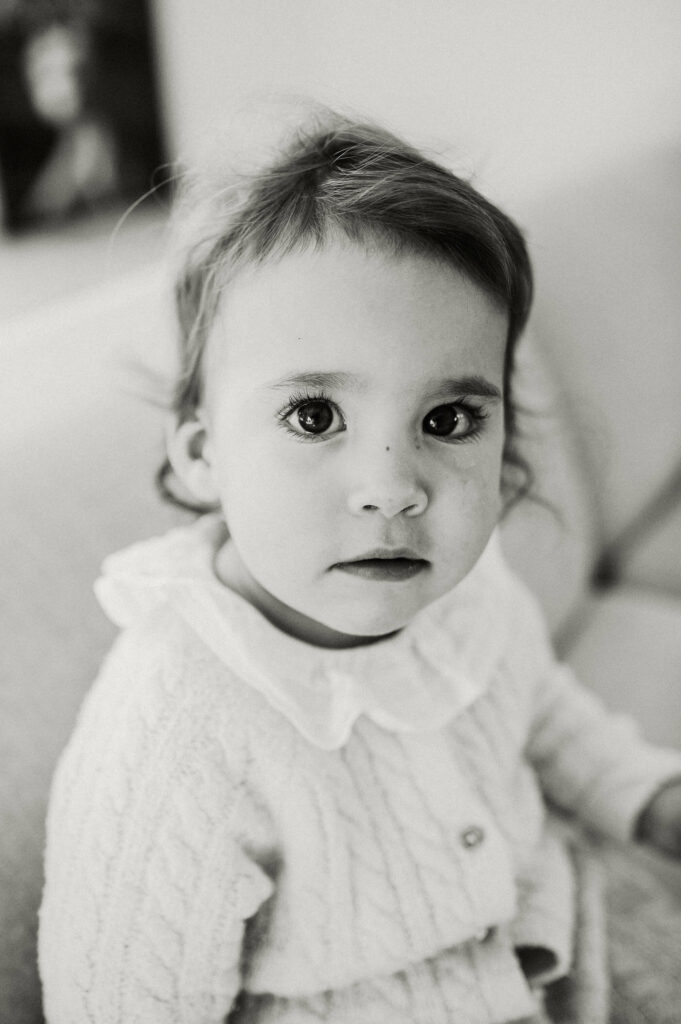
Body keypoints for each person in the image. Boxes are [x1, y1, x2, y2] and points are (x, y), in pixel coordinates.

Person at [38, 102, 681, 1024]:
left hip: (553, 926)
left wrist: (643, 795)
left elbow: (538, 710)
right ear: (202, 454)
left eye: (447, 420)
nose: (392, 490)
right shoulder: (178, 730)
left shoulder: (466, 588)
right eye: (314, 417)